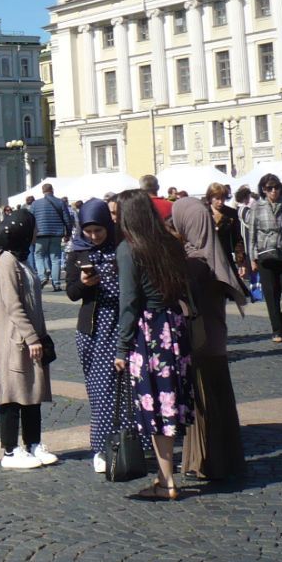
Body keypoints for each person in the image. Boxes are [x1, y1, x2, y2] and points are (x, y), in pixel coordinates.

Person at [112, 189, 196, 500]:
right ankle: (166, 477)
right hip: (174, 327)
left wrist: (121, 348)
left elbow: (129, 302)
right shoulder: (169, 242)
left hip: (149, 332)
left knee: (156, 407)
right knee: (170, 404)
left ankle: (166, 481)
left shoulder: (129, 248)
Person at [173, 197, 246, 482]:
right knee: (220, 402)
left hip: (201, 345)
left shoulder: (194, 262)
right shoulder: (213, 255)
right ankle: (226, 460)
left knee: (205, 405)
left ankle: (205, 462)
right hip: (216, 342)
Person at [0, 210, 57, 469]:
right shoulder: (7, 261)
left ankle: (33, 443)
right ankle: (9, 450)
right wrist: (31, 337)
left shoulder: (22, 259)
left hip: (28, 337)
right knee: (12, 393)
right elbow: (13, 304)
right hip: (14, 339)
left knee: (31, 391)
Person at [64, 199, 122, 473]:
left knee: (124, 389)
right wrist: (85, 284)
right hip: (92, 329)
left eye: (98, 230)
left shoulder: (122, 249)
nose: (94, 236)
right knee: (100, 391)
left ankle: (129, 441)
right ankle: (100, 446)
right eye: (89, 231)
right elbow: (71, 292)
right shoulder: (78, 251)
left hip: (120, 326)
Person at [244, 173, 282, 341]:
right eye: (269, 188)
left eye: (276, 187)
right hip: (266, 255)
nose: (273, 191)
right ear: (263, 190)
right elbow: (252, 234)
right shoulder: (257, 207)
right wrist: (252, 258)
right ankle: (277, 330)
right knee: (271, 294)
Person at [30, 183, 72, 291]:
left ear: (43, 191)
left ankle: (42, 276)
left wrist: (32, 234)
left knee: (38, 255)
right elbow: (67, 219)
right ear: (52, 190)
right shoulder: (60, 202)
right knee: (56, 259)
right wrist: (68, 233)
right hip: (56, 233)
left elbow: (31, 220)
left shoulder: (35, 204)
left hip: (40, 234)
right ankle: (57, 283)